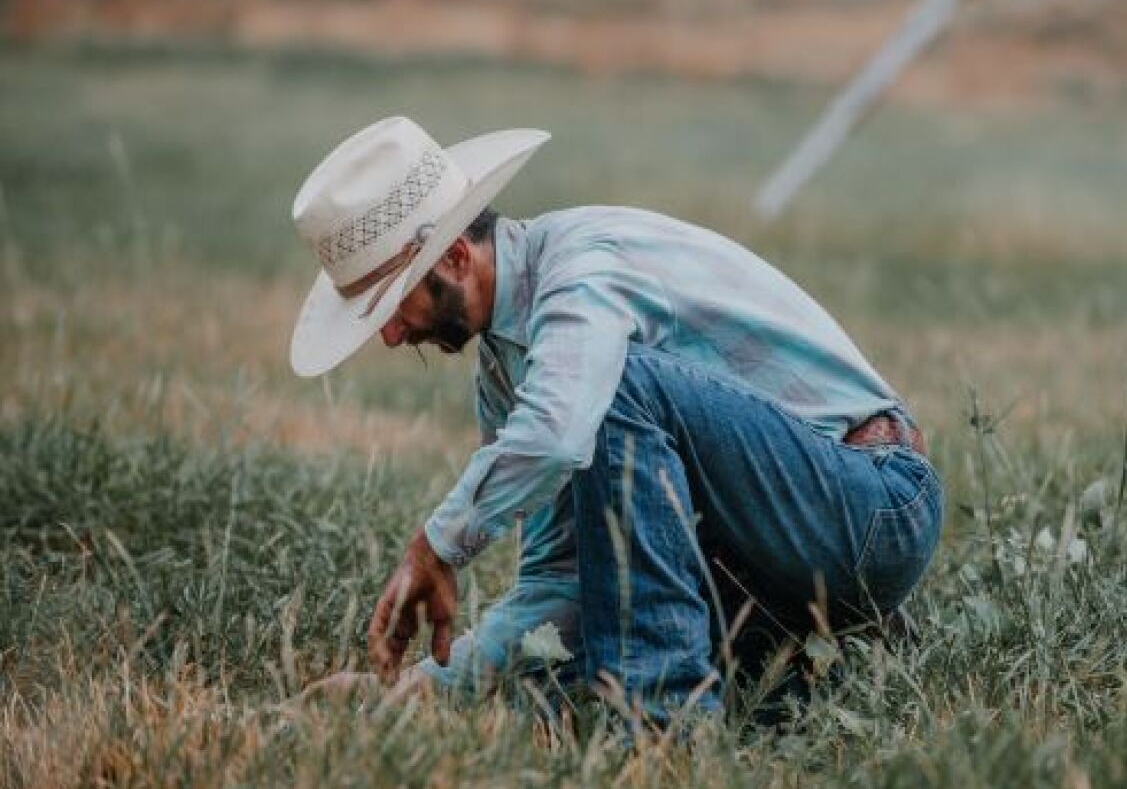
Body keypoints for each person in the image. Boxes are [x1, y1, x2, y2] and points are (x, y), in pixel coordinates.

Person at [289, 116, 944, 727]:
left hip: (875, 506)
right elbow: (555, 577)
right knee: (581, 644)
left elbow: (557, 433)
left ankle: (662, 723)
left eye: (393, 307)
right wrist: (425, 690)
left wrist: (437, 545)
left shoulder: (582, 268)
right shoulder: (502, 371)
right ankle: (833, 647)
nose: (393, 337)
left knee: (611, 387)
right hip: (757, 563)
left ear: (456, 258)